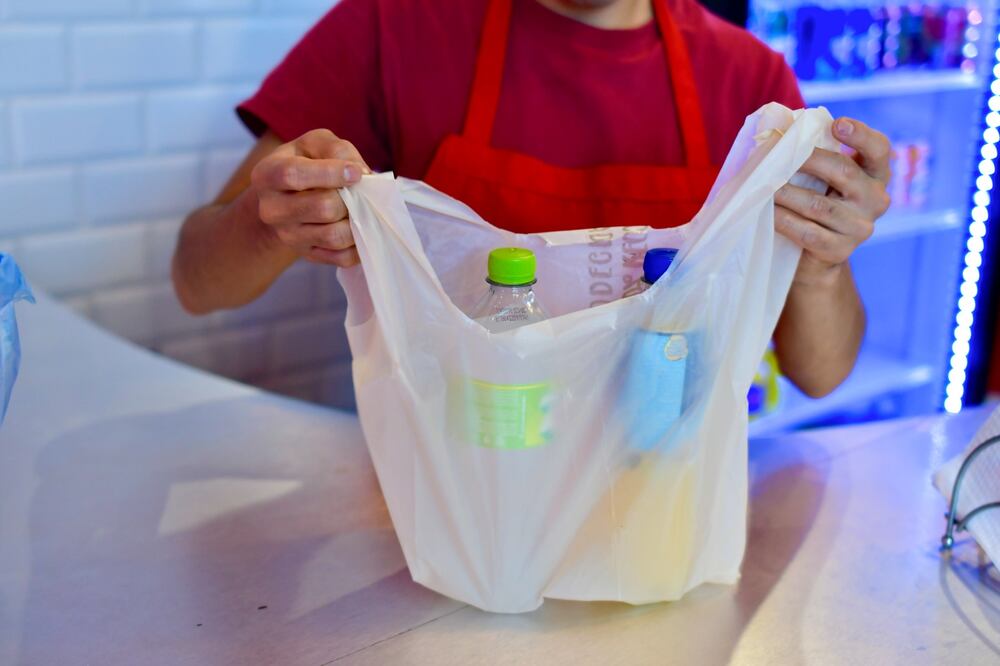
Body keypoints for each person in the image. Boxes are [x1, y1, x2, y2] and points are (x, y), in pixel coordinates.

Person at [172, 0, 891, 398]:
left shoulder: (745, 79)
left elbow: (820, 372)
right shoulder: (393, 28)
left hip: (667, 503)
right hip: (456, 494)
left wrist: (823, 262)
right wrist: (272, 220)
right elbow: (198, 281)